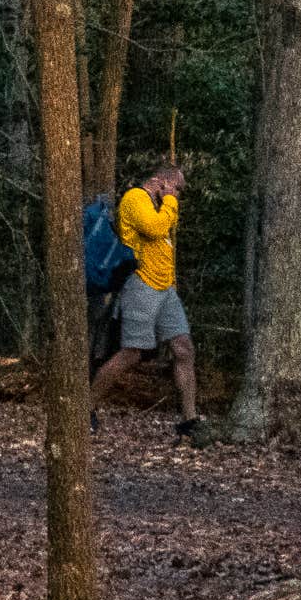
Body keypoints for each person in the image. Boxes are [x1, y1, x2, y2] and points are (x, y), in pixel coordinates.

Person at [95, 159, 203, 437]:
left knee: (183, 348)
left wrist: (167, 204)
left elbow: (163, 230)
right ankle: (86, 407)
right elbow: (154, 228)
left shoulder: (160, 205)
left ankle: (190, 420)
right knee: (132, 353)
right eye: (176, 188)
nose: (177, 194)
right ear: (160, 181)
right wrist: (169, 201)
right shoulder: (135, 198)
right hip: (141, 284)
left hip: (165, 287)